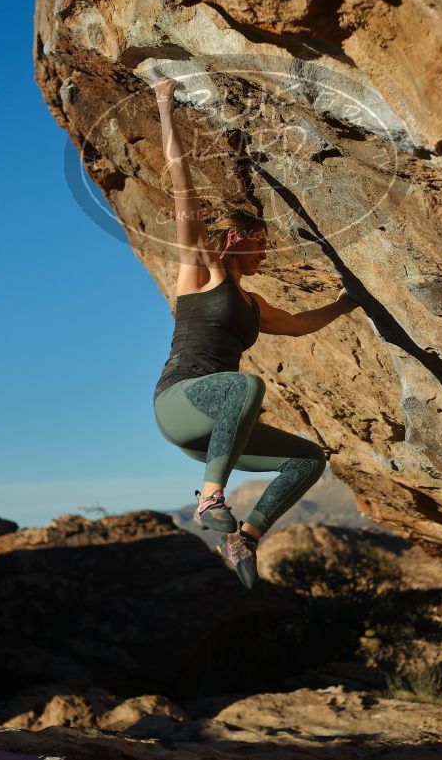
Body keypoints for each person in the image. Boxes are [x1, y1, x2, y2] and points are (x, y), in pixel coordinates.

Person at [151, 70, 360, 589]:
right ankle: (211, 497)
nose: (266, 253)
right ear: (237, 237)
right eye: (261, 242)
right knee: (247, 384)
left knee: (308, 460)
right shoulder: (201, 272)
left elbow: (301, 324)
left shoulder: (255, 303)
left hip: (216, 431)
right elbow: (183, 187)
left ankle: (244, 536)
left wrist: (349, 302)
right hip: (180, 402)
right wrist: (164, 107)